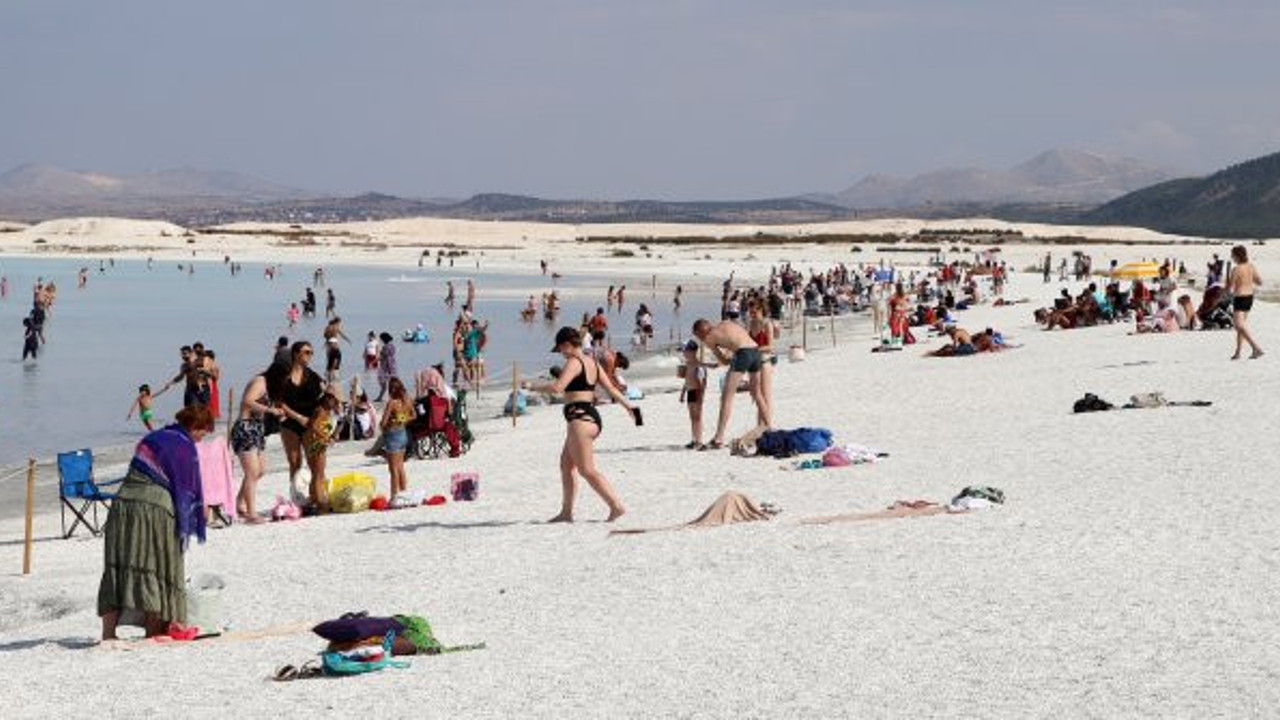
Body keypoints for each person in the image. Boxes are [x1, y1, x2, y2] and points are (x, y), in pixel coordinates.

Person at [99, 405, 214, 640]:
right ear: (194, 427)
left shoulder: (151, 438)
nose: (203, 438)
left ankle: (108, 634)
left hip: (122, 504)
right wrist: (198, 511)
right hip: (156, 509)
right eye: (203, 432)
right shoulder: (185, 447)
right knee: (159, 566)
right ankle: (152, 632)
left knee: (117, 567)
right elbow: (186, 489)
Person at [527, 327, 636, 523]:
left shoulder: (573, 362)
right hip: (589, 417)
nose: (560, 353)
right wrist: (629, 407)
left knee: (587, 469)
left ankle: (616, 506)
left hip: (580, 419)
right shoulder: (592, 362)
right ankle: (566, 512)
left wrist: (532, 386)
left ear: (567, 345)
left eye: (560, 349)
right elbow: (611, 388)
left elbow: (557, 388)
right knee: (566, 465)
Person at [692, 318, 770, 450]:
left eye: (697, 335)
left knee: (727, 397)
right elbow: (740, 336)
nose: (699, 338)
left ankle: (718, 438)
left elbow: (723, 360)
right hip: (755, 350)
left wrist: (725, 359)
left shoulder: (709, 339)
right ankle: (768, 425)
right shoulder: (726, 322)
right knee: (756, 393)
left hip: (743, 354)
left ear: (700, 332)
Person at [273, 341, 326, 507]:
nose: (310, 355)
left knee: (314, 463)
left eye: (311, 352)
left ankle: (313, 496)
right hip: (290, 423)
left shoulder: (313, 377)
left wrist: (319, 422)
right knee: (295, 462)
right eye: (306, 352)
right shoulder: (284, 377)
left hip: (310, 423)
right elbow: (278, 402)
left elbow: (322, 402)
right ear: (296, 354)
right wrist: (297, 417)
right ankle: (296, 498)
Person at [231, 371, 284, 522]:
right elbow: (247, 401)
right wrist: (270, 410)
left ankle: (238, 502)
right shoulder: (260, 381)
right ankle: (251, 513)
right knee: (252, 472)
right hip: (245, 428)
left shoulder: (272, 386)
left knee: (260, 471)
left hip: (257, 429)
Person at [300, 392, 340, 512]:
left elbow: (322, 427)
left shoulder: (326, 412)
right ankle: (320, 501)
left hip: (317, 443)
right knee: (319, 474)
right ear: (325, 401)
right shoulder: (321, 411)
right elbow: (314, 426)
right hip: (316, 444)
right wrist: (325, 437)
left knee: (317, 473)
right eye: (331, 401)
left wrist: (332, 435)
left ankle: (313, 498)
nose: (333, 403)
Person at [746, 301, 779, 427]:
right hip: (753, 362)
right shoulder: (751, 323)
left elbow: (770, 346)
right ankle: (760, 426)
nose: (752, 315)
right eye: (750, 312)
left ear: (761, 310)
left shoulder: (767, 324)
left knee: (766, 396)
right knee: (757, 396)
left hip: (765, 361)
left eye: (754, 312)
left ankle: (767, 425)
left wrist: (754, 349)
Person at [1228, 244, 1263, 359]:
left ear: (1237, 256)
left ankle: (1256, 348)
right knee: (1241, 327)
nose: (1231, 257)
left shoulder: (1236, 269)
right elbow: (1259, 282)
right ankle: (1238, 352)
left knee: (1239, 325)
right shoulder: (1251, 266)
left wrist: (1224, 291)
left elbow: (1230, 287)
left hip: (1240, 298)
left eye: (1232, 255)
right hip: (1249, 297)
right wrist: (1248, 280)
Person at [381, 378, 412, 501]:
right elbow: (413, 415)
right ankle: (404, 493)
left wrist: (388, 424)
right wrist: (403, 420)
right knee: (400, 467)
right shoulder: (407, 400)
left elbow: (383, 422)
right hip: (403, 433)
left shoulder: (392, 403)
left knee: (393, 469)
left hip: (392, 435)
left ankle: (394, 496)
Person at [680, 340, 707, 449]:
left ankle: (699, 441)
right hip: (690, 391)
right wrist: (682, 393)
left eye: (685, 351)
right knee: (692, 417)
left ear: (692, 351)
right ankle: (694, 439)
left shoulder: (698, 365)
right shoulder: (688, 364)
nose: (683, 353)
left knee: (698, 417)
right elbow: (686, 380)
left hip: (697, 392)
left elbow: (702, 382)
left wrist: (701, 395)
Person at [376, 332, 397, 401]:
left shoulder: (385, 347)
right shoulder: (392, 346)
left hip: (385, 366)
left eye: (381, 339)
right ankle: (391, 396)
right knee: (392, 383)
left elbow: (382, 357)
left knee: (383, 383)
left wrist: (374, 362)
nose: (380, 340)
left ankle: (380, 397)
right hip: (392, 365)